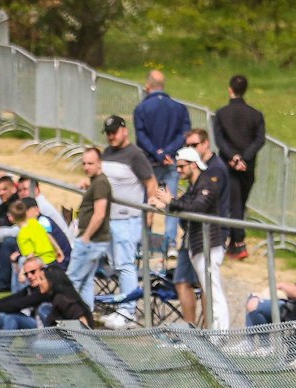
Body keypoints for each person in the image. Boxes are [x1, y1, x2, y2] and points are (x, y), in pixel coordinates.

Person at [158, 144, 230, 330]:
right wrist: (166, 204)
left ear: (194, 165)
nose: (179, 170)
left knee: (213, 290)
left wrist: (171, 202)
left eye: (182, 166)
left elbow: (197, 207)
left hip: (209, 244)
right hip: (198, 244)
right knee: (209, 288)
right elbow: (184, 204)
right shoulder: (194, 187)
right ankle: (215, 333)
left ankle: (220, 333)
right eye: (178, 167)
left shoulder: (207, 184)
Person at [97, 115, 152, 320]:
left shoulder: (135, 155)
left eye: (114, 131)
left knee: (126, 264)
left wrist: (149, 212)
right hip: (109, 218)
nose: (111, 136)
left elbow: (151, 183)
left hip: (129, 219)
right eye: (108, 133)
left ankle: (128, 312)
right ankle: (121, 307)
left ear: (124, 130)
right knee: (117, 265)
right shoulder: (107, 153)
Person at [134, 71, 191, 250]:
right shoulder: (179, 108)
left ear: (148, 86)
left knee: (146, 201)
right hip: (171, 161)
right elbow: (184, 133)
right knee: (170, 201)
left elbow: (141, 135)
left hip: (150, 162)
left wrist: (157, 152)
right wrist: (169, 151)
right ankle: (171, 241)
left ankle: (144, 239)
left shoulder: (142, 108)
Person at [213, 75, 266, 259]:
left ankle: (238, 243)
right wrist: (245, 158)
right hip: (248, 167)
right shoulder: (255, 114)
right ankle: (236, 240)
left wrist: (234, 158)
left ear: (230, 89)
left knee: (234, 205)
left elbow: (220, 140)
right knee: (239, 204)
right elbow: (259, 140)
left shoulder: (222, 114)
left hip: (229, 166)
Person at [0, 254, 94, 332]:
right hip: (44, 328)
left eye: (33, 272)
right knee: (4, 315)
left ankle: (1, 353)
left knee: (11, 318)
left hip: (51, 332)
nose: (30, 276)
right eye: (27, 273)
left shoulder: (46, 291)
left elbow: (20, 303)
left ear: (42, 270)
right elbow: (13, 298)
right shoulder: (35, 288)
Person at [70, 149, 113, 301]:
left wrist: (86, 236)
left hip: (91, 241)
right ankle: (86, 320)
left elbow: (100, 213)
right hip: (94, 241)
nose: (86, 167)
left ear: (99, 163)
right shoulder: (97, 182)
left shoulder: (101, 183)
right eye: (84, 163)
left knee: (71, 281)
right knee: (86, 282)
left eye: (90, 163)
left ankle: (70, 319)